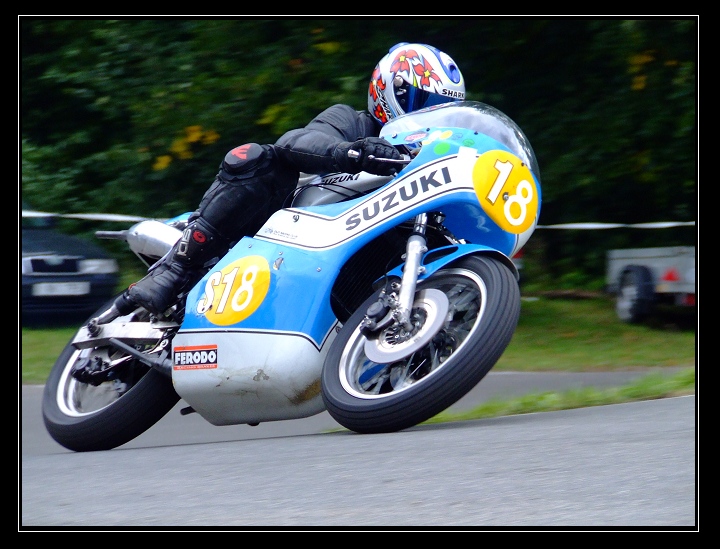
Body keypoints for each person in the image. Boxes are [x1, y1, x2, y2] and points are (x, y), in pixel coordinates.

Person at [114, 42, 466, 317]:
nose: (429, 115)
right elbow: (296, 141)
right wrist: (351, 151)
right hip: (273, 227)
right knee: (259, 159)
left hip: (332, 258)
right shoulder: (351, 122)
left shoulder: (426, 159)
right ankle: (175, 270)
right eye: (425, 103)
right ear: (391, 91)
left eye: (440, 109)